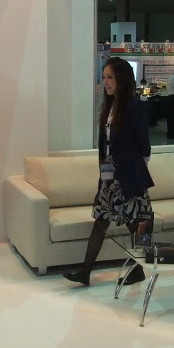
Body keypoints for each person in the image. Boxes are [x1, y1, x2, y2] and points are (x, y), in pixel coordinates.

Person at [63, 57, 154, 287]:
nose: (106, 82)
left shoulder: (134, 106)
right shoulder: (109, 107)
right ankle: (85, 272)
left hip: (128, 177)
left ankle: (139, 269)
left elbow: (144, 147)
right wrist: (104, 177)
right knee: (101, 222)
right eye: (103, 77)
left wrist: (133, 173)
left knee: (136, 224)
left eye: (110, 77)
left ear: (122, 79)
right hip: (109, 178)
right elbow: (106, 147)